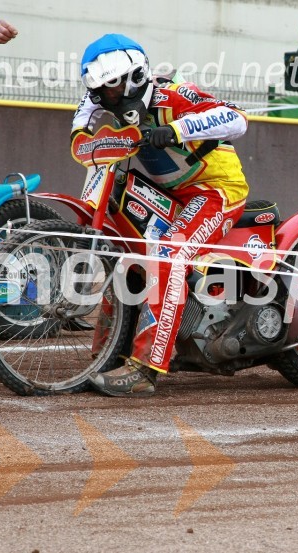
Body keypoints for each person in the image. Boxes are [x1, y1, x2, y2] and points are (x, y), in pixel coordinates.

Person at [71, 34, 249, 397]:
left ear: (136, 75)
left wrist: (176, 130)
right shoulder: (101, 98)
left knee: (168, 254)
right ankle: (106, 356)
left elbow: (237, 118)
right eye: (101, 89)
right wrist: (79, 132)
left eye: (113, 86)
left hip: (215, 190)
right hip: (171, 194)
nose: (107, 95)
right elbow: (83, 110)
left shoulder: (174, 95)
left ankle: (146, 368)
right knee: (124, 253)